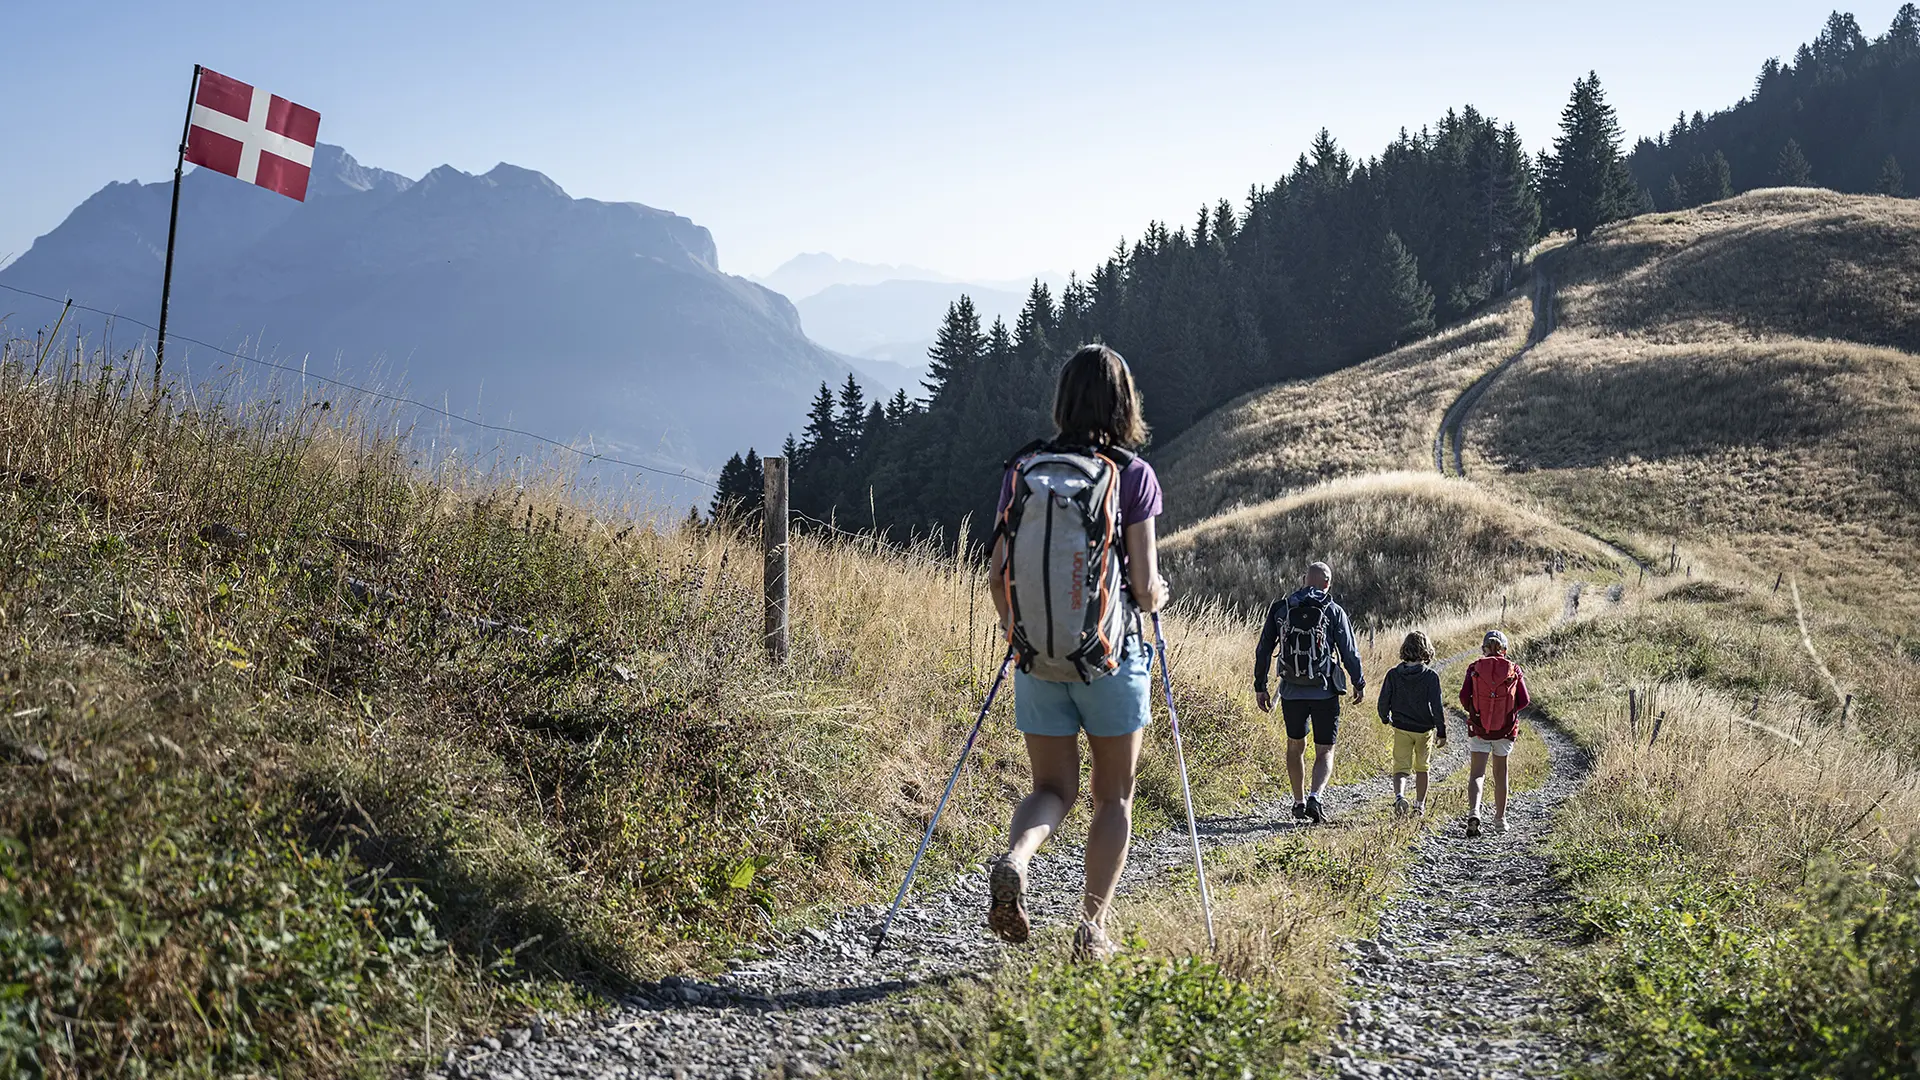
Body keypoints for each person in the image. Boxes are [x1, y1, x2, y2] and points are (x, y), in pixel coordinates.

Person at [986, 344, 1168, 961]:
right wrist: (1158, 593)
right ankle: (1091, 929)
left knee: (1051, 787)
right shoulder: (1132, 475)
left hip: (1038, 659)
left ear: (1063, 399)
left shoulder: (1024, 470)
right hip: (1110, 661)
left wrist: (1023, 637)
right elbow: (1142, 587)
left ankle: (1016, 857)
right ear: (1124, 403)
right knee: (1112, 796)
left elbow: (996, 575)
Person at [1253, 562, 1365, 824]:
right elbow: (1349, 651)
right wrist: (1358, 681)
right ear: (1327, 583)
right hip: (1325, 692)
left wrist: (1260, 685)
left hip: (1291, 692)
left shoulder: (1282, 609)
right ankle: (1315, 796)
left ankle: (1298, 801)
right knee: (1325, 749)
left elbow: (1263, 650)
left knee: (1295, 746)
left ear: (1304, 580)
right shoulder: (1333, 610)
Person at [1458, 629, 1531, 837]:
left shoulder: (1474, 668)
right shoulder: (1513, 669)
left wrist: (1475, 712)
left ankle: (1474, 812)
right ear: (1505, 650)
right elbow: (1524, 700)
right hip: (1505, 730)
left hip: (1479, 728)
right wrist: (1509, 713)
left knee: (1477, 773)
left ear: (1484, 648)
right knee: (1501, 775)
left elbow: (1464, 697)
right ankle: (1500, 820)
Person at [1377, 631, 1447, 816]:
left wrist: (1385, 717)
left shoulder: (1393, 675)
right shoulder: (1431, 677)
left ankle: (1400, 797)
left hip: (1401, 727)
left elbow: (1383, 701)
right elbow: (1437, 706)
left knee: (1400, 768)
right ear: (1426, 651)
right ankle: (1419, 805)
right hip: (1424, 730)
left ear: (1405, 649)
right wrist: (1441, 730)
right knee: (1422, 768)